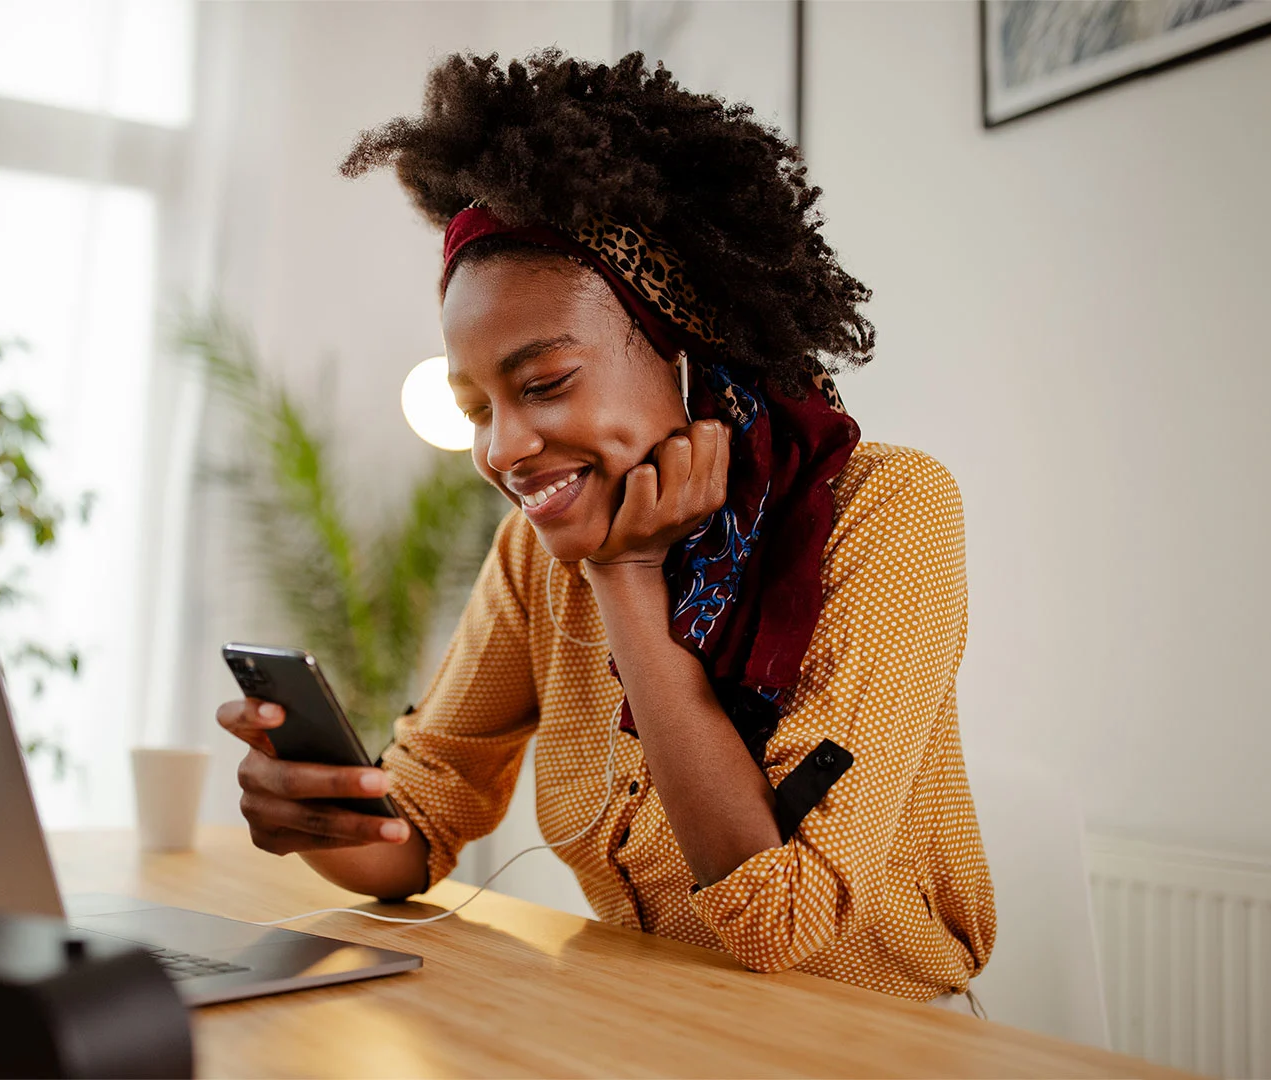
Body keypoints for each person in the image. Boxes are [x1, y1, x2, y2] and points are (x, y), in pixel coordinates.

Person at [215, 50, 995, 1002]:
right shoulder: (536, 557)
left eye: (543, 384)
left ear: (687, 351)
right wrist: (321, 814)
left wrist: (627, 578)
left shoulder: (881, 513)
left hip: (877, 1041)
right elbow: (422, 823)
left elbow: (780, 918)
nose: (504, 449)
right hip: (657, 1023)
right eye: (476, 409)